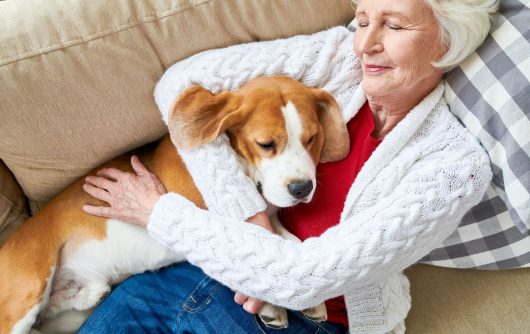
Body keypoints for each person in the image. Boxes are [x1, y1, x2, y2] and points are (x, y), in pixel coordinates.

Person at [78, 0, 498, 333]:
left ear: (447, 41)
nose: (365, 42)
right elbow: (180, 85)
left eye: (394, 25)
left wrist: (160, 213)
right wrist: (249, 216)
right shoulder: (337, 58)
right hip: (196, 267)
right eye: (364, 18)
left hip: (307, 319)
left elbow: (306, 279)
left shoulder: (454, 167)